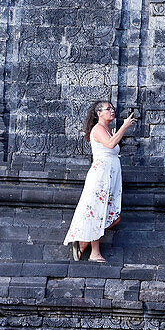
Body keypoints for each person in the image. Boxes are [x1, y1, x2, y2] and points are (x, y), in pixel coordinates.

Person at [63, 101, 136, 262]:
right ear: (99, 113)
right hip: (100, 176)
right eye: (108, 109)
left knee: (114, 217)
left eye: (112, 108)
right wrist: (124, 126)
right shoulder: (98, 129)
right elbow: (110, 144)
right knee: (97, 211)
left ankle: (84, 240)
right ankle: (94, 252)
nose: (112, 111)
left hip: (110, 175)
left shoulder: (108, 130)